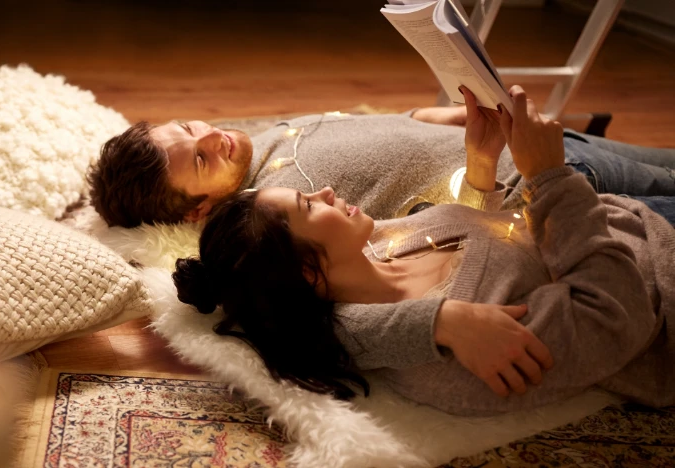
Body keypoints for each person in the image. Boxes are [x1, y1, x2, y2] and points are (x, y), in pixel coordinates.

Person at [171, 86, 675, 417]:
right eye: (308, 204)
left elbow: (485, 229)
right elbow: (618, 313)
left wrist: (481, 162)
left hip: (627, 215)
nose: (325, 191)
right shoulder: (462, 355)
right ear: (308, 271)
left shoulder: (377, 248)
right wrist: (550, 177)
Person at [87, 96, 675, 228]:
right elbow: (433, 234)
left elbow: (367, 129)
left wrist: (435, 114)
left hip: (539, 139)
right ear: (199, 209)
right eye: (199, 156)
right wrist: (482, 164)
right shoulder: (285, 204)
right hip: (538, 181)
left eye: (193, 126)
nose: (214, 134)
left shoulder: (265, 139)